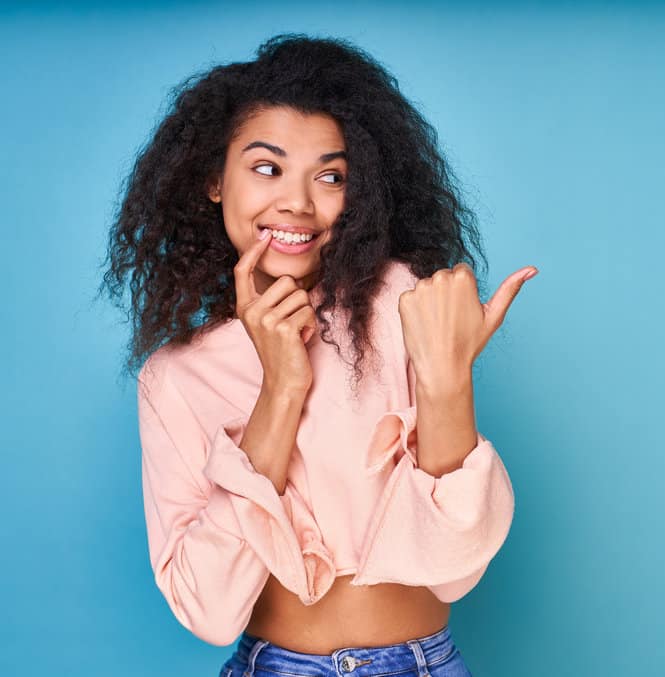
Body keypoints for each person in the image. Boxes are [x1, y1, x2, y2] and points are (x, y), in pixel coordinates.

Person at [99, 33, 538, 676]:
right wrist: (280, 388)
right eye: (267, 168)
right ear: (214, 181)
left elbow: (456, 574)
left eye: (330, 176)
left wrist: (448, 384)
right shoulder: (176, 378)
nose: (298, 203)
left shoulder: (403, 307)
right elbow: (208, 611)